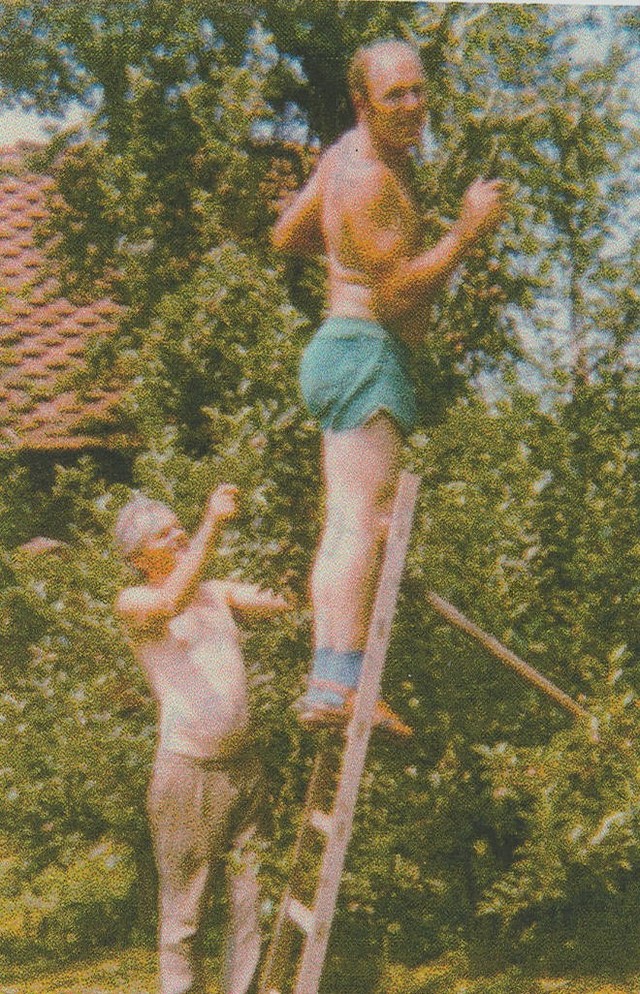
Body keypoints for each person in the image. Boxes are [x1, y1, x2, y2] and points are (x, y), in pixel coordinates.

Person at [272, 38, 506, 730]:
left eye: (417, 90)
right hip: (368, 352)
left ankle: (331, 682)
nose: (410, 106)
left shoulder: (341, 156)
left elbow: (287, 234)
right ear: (361, 103)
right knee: (358, 525)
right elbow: (397, 294)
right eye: (393, 95)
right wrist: (463, 234)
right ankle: (338, 687)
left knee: (346, 521)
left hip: (340, 349)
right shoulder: (370, 179)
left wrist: (349, 252)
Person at [114, 484, 289, 994]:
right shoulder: (135, 601)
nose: (179, 535)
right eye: (163, 534)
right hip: (187, 772)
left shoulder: (216, 592)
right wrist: (212, 521)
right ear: (138, 558)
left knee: (250, 901)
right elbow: (171, 600)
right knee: (185, 908)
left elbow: (282, 600)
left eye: (179, 526)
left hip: (244, 766)